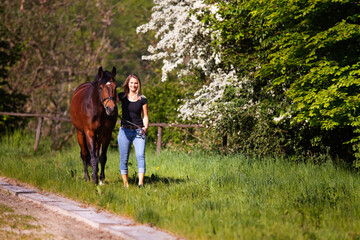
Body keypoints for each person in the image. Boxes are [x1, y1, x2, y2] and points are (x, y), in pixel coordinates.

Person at [117, 74, 149, 188]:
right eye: (131, 82)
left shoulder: (143, 99)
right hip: (124, 131)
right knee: (124, 158)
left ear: (138, 84)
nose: (133, 85)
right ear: (127, 84)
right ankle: (126, 184)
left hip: (138, 131)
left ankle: (141, 183)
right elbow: (109, 102)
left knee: (140, 155)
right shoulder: (122, 96)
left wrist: (145, 127)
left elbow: (145, 116)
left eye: (135, 83)